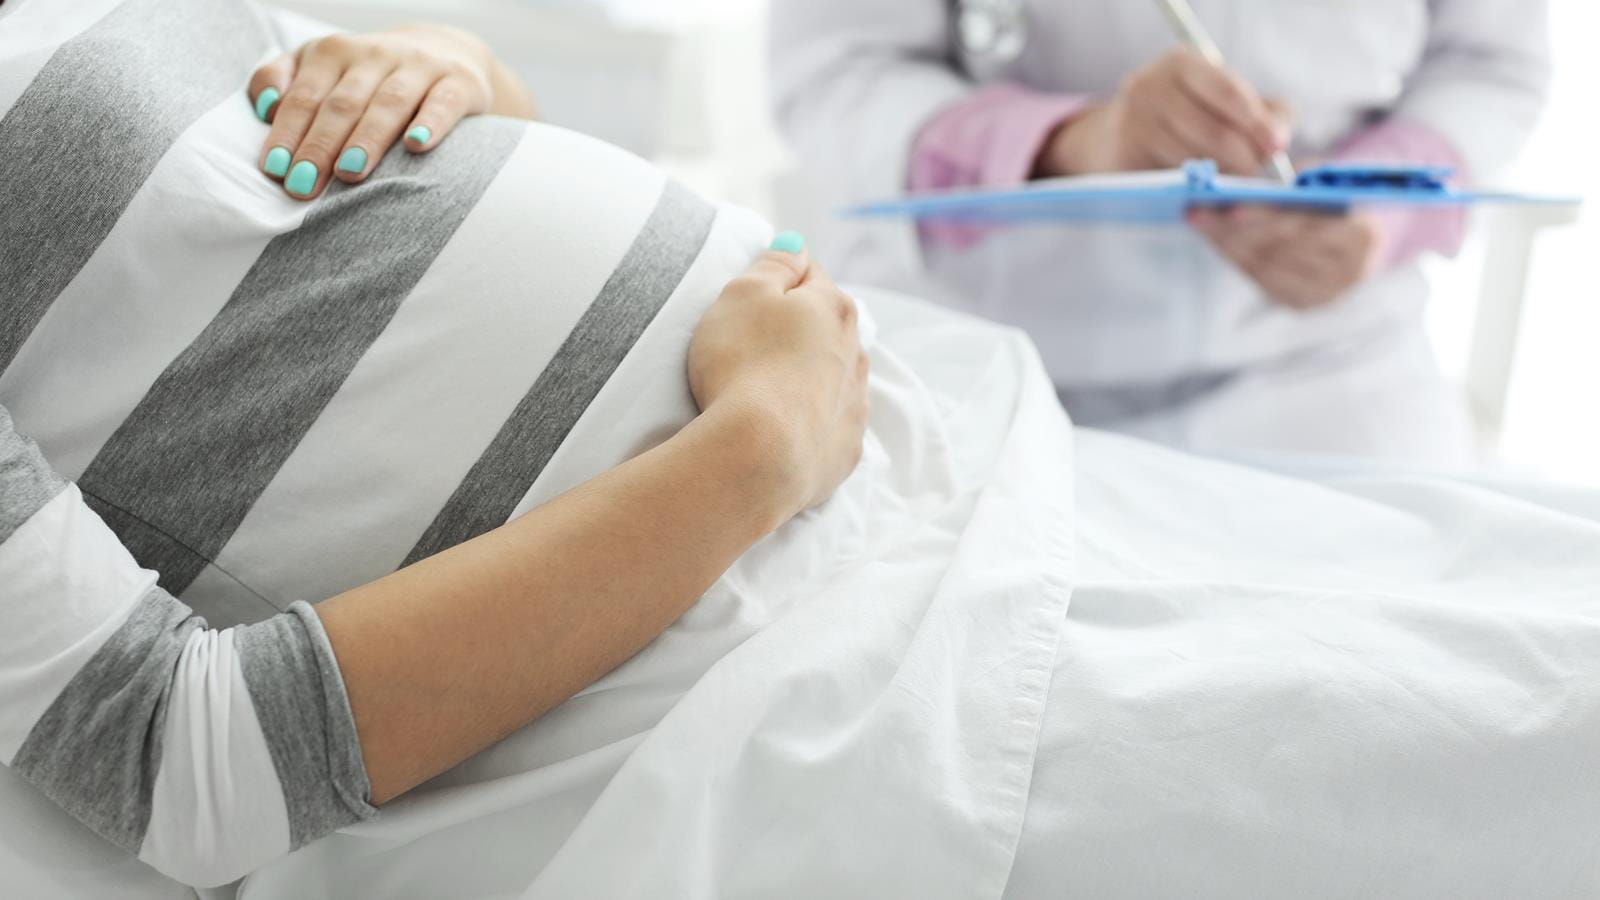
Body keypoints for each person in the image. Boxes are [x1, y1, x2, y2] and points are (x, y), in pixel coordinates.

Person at [8, 4, 1600, 898]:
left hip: (950, 450)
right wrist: (757, 448)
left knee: (1542, 603)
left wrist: (447, 68)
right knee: (1532, 739)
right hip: (797, 660)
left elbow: (397, 162)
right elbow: (180, 762)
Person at [769, 0, 1551, 463]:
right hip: (975, 377)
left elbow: (1491, 65)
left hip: (1330, 380)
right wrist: (1074, 142)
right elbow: (838, 73)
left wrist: (1380, 208)